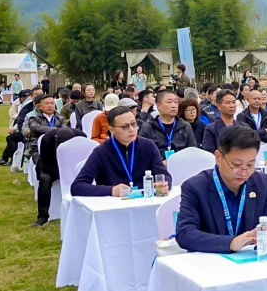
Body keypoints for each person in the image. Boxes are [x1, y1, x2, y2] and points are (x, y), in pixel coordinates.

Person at [175, 124, 267, 253]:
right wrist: (230, 243)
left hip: (251, 260)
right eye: (236, 164)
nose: (243, 172)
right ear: (218, 157)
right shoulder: (195, 187)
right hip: (210, 260)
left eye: (250, 165)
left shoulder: (261, 182)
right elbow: (185, 234)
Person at [71, 107, 168, 197]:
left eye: (133, 124)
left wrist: (165, 185)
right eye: (124, 126)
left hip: (145, 200)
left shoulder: (148, 146)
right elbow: (77, 187)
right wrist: (111, 190)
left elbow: (164, 175)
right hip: (114, 204)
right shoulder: (101, 152)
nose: (131, 129)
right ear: (111, 130)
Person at [26, 95, 78, 226]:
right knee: (45, 178)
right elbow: (36, 128)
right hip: (40, 153)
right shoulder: (34, 118)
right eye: (47, 103)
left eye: (52, 103)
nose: (50, 105)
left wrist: (59, 131)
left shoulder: (60, 118)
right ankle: (43, 216)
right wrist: (56, 131)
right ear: (40, 106)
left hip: (59, 152)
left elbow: (66, 131)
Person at [140, 89, 198, 154]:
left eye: (176, 102)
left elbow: (193, 151)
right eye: (169, 102)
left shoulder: (185, 126)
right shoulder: (148, 128)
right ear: (158, 106)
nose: (174, 106)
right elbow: (142, 154)